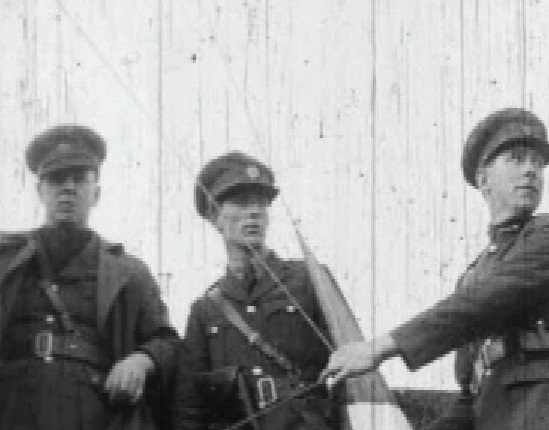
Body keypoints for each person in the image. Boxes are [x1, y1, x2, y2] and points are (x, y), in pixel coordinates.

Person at [320, 108, 549, 430]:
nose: (531, 170)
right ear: (483, 179)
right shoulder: (476, 273)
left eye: (538, 163)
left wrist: (378, 348)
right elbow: (471, 393)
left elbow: (477, 306)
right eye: (517, 159)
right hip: (501, 409)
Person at [0, 124, 179, 429]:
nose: (68, 188)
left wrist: (141, 360)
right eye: (56, 178)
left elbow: (168, 342)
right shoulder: (5, 261)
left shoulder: (129, 272)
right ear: (40, 190)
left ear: (96, 193)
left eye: (80, 178)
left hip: (96, 413)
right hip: (16, 409)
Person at [174, 152, 340, 430]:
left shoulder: (309, 279)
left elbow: (349, 366)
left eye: (261, 204)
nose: (253, 212)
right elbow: (190, 403)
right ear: (215, 216)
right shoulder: (206, 310)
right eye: (241, 203)